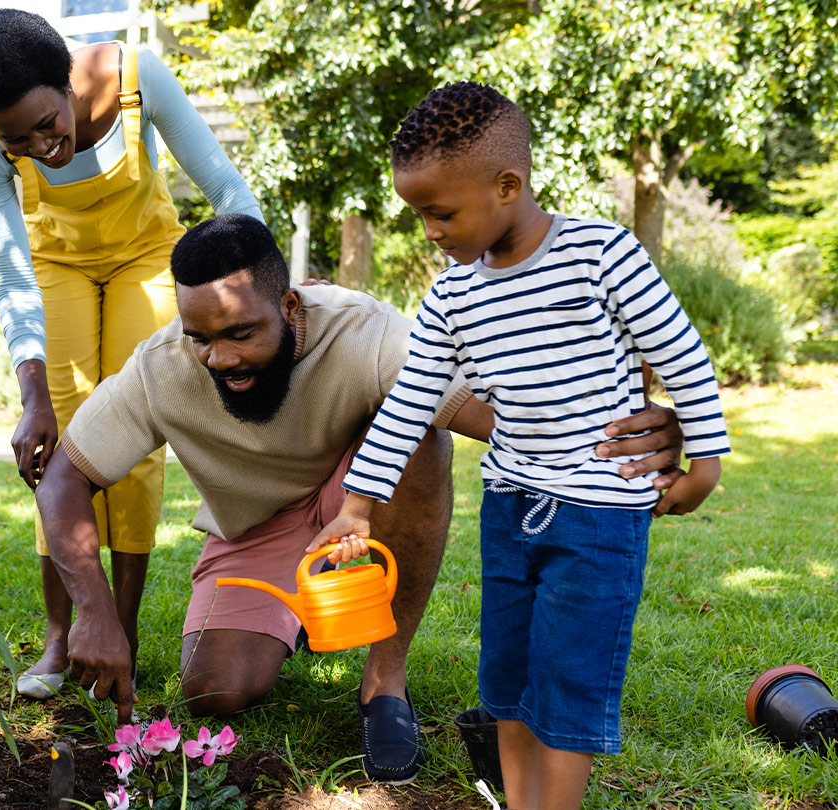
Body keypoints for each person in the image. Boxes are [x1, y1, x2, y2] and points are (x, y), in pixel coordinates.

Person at [34, 212, 689, 784]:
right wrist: (94, 610)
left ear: (290, 306)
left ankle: (385, 681)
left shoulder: (366, 334)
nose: (218, 358)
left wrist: (635, 418)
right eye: (201, 336)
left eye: (240, 334)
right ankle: (299, 613)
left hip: (362, 495)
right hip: (256, 526)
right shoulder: (162, 369)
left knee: (423, 439)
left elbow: (497, 413)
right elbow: (67, 478)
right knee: (215, 693)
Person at [312, 83, 730, 806]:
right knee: (505, 679)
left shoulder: (600, 255)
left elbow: (682, 352)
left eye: (440, 212)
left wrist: (706, 463)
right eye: (419, 215)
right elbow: (411, 403)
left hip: (598, 515)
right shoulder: (453, 297)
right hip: (509, 507)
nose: (430, 232)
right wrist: (356, 507)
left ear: (508, 185)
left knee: (567, 684)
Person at [0, 9, 264, 700]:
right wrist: (32, 398)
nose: (41, 144)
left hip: (147, 256)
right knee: (57, 442)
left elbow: (229, 192)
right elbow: (10, 271)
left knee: (135, 439)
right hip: (53, 263)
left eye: (48, 122)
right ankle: (63, 636)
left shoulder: (135, 76)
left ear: (66, 80)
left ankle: (121, 627)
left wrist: (257, 287)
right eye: (18, 139)